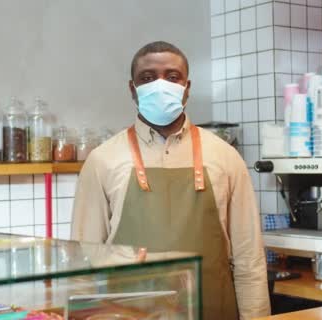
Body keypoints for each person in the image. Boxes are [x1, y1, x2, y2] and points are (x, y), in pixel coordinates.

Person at [71, 41, 270, 319]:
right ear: (133, 89)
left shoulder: (225, 157)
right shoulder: (102, 160)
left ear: (187, 88)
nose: (161, 85)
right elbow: (84, 263)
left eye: (172, 77)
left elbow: (249, 260)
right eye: (148, 78)